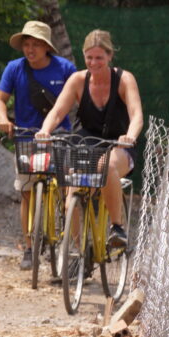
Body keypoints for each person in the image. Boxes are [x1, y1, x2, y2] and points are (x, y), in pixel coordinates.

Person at [36, 29, 143, 249]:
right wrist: (45, 130)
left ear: (110, 56)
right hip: (86, 146)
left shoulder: (124, 79)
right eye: (89, 57)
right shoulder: (78, 80)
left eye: (99, 58)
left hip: (118, 144)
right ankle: (76, 253)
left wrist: (130, 136)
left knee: (107, 165)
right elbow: (57, 112)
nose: (93, 63)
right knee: (72, 193)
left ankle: (117, 227)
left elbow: (136, 115)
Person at [0, 20, 76, 270]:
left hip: (59, 137)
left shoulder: (65, 68)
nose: (30, 49)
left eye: (36, 45)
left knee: (64, 188)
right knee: (27, 191)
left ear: (46, 47)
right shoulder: (14, 68)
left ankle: (66, 241)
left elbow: (79, 96)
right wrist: (3, 119)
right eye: (26, 44)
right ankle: (29, 247)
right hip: (26, 137)